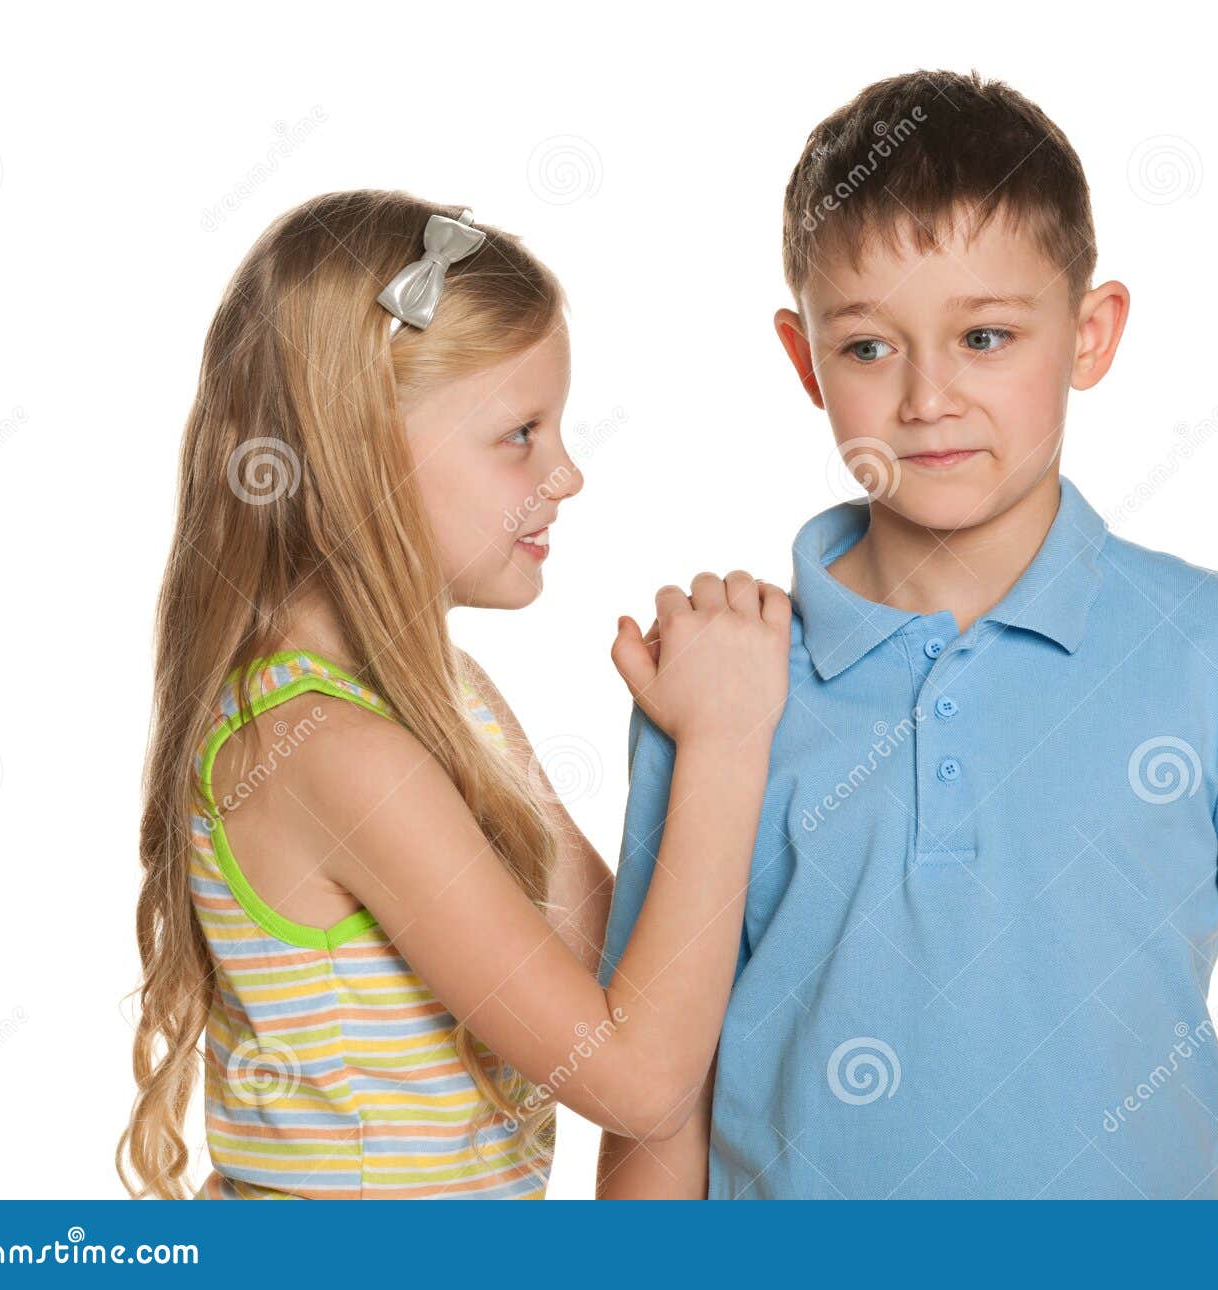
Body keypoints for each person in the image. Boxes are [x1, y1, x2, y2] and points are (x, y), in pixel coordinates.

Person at [596, 72, 1218, 1200]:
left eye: (983, 336)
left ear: (1090, 333)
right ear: (801, 357)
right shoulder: (719, 679)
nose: (928, 398)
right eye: (869, 348)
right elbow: (652, 1081)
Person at [118, 189, 791, 1199]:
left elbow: (635, 968)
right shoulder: (326, 750)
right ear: (361, 456)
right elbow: (639, 1081)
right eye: (520, 433)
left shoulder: (449, 699)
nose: (564, 474)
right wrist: (725, 745)